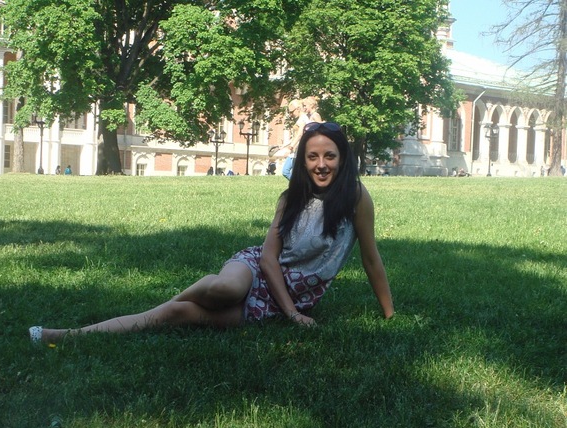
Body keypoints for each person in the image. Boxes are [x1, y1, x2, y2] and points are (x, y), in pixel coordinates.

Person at [29, 122, 394, 344]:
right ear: (302, 161)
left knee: (178, 315)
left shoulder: (356, 198)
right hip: (256, 269)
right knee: (226, 289)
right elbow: (268, 258)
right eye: (312, 157)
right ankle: (79, 332)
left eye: (329, 156)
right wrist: (293, 315)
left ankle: (81, 332)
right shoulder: (290, 198)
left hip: (282, 298)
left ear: (342, 158)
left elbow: (371, 259)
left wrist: (390, 315)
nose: (321, 164)